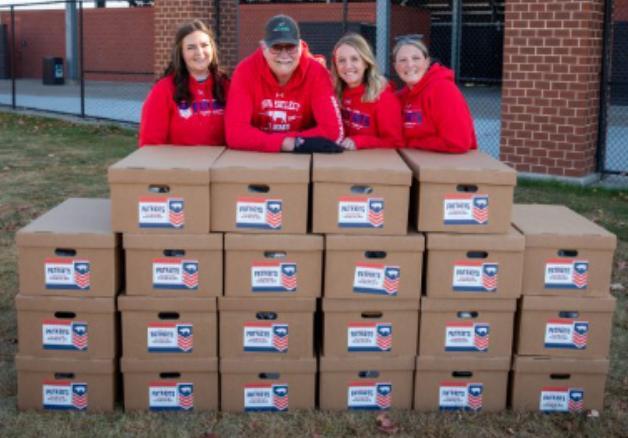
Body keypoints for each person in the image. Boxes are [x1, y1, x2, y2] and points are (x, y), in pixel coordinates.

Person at [225, 15, 343, 153]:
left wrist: (275, 141)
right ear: (264, 47)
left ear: (300, 46)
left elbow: (333, 131)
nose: (284, 55)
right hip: (262, 158)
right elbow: (235, 133)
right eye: (276, 47)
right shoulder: (245, 71)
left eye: (290, 47)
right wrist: (288, 143)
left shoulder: (317, 73)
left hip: (301, 159)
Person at [138, 20, 228, 147]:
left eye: (204, 45)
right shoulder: (164, 89)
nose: (199, 52)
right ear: (181, 53)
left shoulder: (227, 86)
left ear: (212, 48)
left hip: (219, 164)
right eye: (191, 47)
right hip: (180, 165)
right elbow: (150, 143)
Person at [393, 36, 477, 153]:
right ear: (395, 67)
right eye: (403, 60)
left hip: (448, 164)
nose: (410, 65)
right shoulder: (401, 97)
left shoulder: (443, 89)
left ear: (427, 62)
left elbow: (458, 142)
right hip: (417, 160)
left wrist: (411, 142)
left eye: (416, 58)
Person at [331, 33, 403, 150]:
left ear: (365, 63)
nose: (348, 66)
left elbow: (395, 142)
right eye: (341, 60)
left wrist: (360, 141)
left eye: (354, 59)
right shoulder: (336, 92)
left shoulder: (383, 97)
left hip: (373, 163)